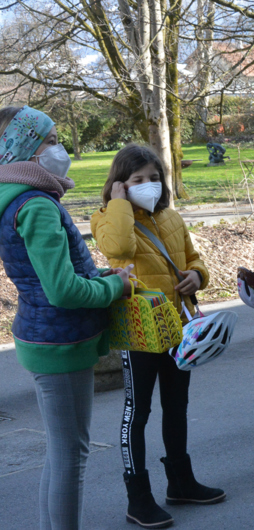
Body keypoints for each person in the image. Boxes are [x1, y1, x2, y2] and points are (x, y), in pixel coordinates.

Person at [0, 105, 133, 530]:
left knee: (62, 454)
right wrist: (116, 286)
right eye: (52, 140)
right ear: (26, 148)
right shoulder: (35, 204)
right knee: (70, 455)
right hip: (60, 341)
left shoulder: (15, 198)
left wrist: (98, 273)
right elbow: (62, 290)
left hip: (45, 335)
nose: (62, 149)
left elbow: (55, 276)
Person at [91, 144, 224, 529]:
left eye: (153, 178)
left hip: (177, 327)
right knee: (138, 412)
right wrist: (119, 204)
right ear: (119, 183)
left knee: (176, 406)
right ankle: (139, 497)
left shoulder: (171, 217)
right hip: (139, 332)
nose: (148, 185)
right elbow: (118, 248)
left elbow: (192, 257)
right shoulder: (108, 218)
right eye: (137, 180)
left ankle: (181, 482)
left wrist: (197, 275)